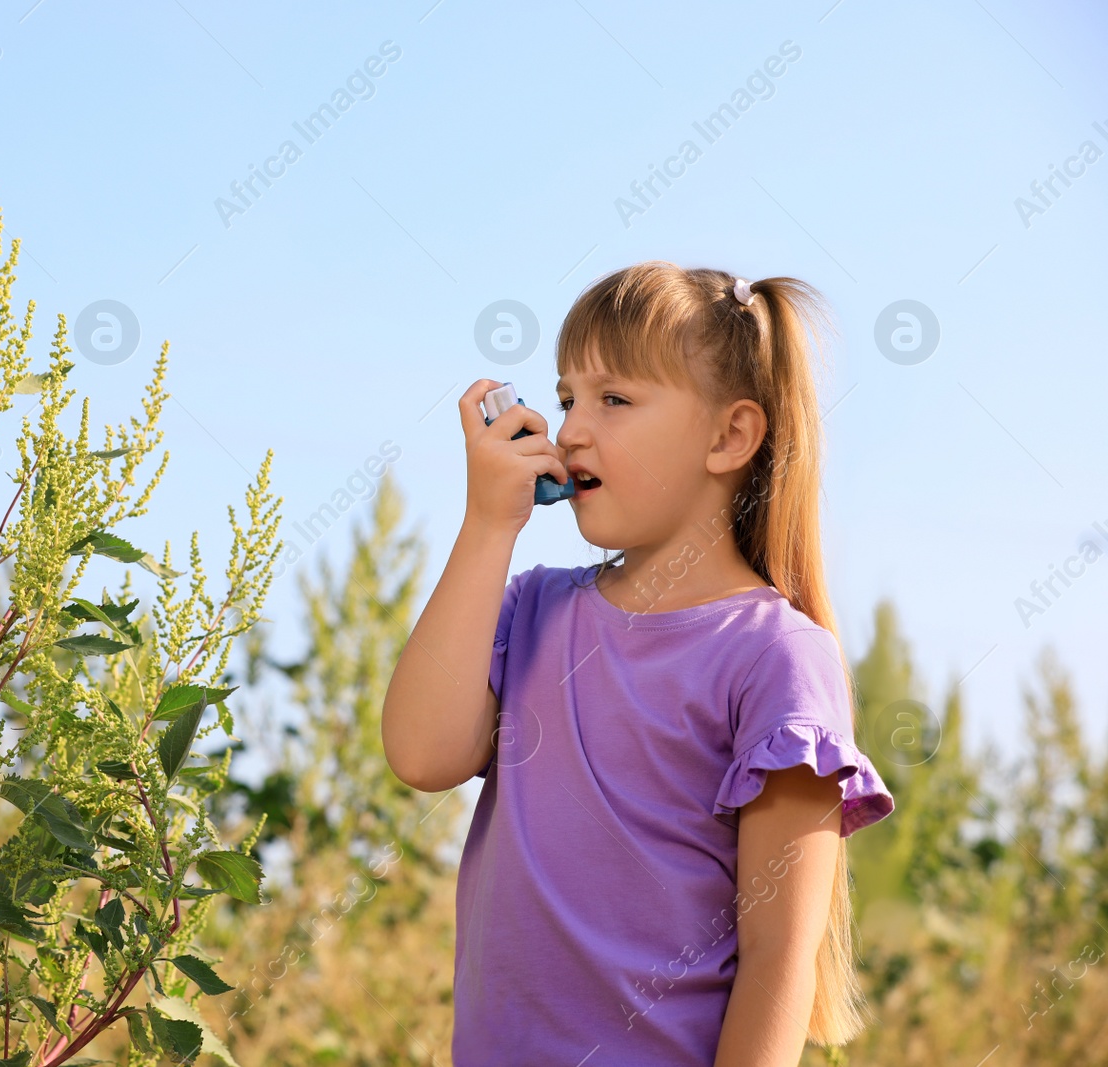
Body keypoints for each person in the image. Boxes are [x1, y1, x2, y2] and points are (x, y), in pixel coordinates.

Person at [382, 262, 897, 1066]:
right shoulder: (532, 607)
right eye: (565, 400)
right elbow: (421, 754)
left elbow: (777, 958)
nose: (574, 430)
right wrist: (487, 526)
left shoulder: (777, 656)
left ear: (730, 437)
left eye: (614, 399)